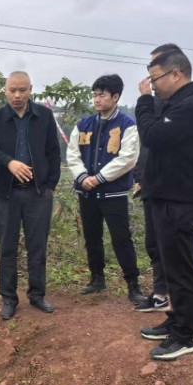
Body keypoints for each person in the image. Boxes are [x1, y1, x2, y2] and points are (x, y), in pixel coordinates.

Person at [135, 48, 193, 360]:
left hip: (181, 199)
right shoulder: (178, 103)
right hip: (165, 195)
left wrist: (143, 102)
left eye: (155, 78)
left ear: (176, 74)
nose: (152, 85)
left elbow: (152, 135)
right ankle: (176, 321)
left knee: (181, 268)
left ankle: (186, 336)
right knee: (171, 266)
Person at [0, 71, 61, 320]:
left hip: (38, 194)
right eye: (12, 90)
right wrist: (10, 163)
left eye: (22, 90)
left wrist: (49, 186)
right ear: (5, 91)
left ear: (30, 90)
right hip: (6, 195)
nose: (17, 95)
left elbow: (53, 152)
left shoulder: (44, 116)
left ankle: (37, 295)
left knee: (37, 247)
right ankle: (9, 298)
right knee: (7, 248)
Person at [67, 74, 144, 304]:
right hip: (87, 192)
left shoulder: (128, 126)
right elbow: (72, 153)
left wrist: (99, 178)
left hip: (113, 193)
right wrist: (82, 177)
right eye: (95, 95)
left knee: (121, 238)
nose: (97, 100)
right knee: (92, 237)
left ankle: (133, 285)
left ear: (116, 97)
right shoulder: (83, 125)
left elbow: (128, 158)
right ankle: (97, 279)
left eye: (102, 95)